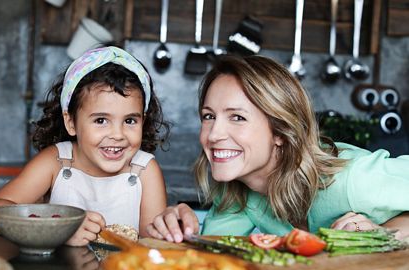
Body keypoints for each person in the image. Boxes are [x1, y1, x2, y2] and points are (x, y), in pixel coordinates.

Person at [146, 54, 409, 243]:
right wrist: (179, 231)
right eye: (208, 116)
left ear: (280, 131)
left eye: (237, 117)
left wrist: (389, 233)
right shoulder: (240, 192)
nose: (213, 135)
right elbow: (214, 257)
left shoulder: (351, 179)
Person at [0, 46, 170, 246]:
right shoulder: (56, 162)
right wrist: (58, 228)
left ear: (143, 120)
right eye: (101, 120)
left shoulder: (145, 170)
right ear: (71, 122)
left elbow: (155, 245)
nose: (117, 135)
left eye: (130, 121)